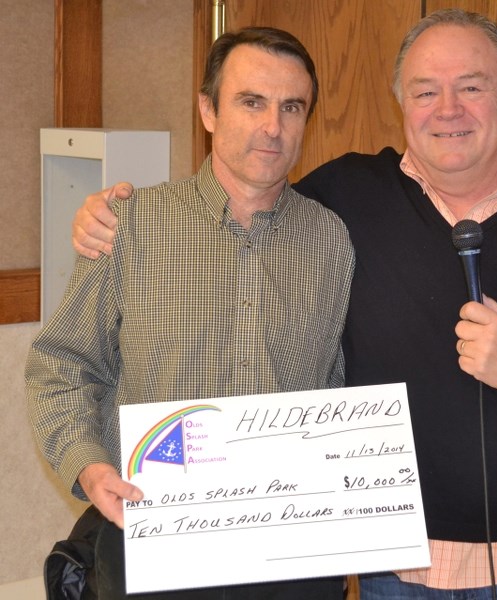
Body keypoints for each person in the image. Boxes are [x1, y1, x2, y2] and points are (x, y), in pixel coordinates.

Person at [70, 9, 497, 600]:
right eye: (424, 92)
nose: (447, 109)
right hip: (394, 569)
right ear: (401, 104)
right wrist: (118, 215)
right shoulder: (344, 199)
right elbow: (245, 195)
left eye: (470, 86)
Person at [27, 27, 355, 600]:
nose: (272, 127)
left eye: (291, 107)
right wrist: (89, 467)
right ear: (208, 108)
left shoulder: (330, 239)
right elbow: (60, 367)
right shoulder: (132, 226)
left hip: (294, 559)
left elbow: (338, 384)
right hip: (155, 546)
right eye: (251, 102)